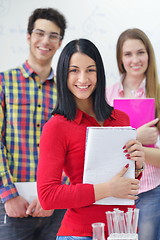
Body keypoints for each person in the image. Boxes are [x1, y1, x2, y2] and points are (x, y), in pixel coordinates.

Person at [37, 38, 145, 239]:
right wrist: (107, 189)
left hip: (123, 231)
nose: (83, 78)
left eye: (90, 70)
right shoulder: (56, 127)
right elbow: (47, 196)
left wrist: (137, 166)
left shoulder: (121, 119)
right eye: (74, 70)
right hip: (80, 233)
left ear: (99, 73)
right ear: (63, 74)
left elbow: (126, 182)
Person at [0, 7, 67, 240]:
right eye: (40, 33)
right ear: (28, 36)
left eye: (53, 36)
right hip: (12, 205)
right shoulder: (4, 82)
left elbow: (76, 147)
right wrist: (8, 195)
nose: (45, 41)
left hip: (56, 209)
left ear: (60, 43)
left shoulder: (67, 91)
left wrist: (55, 196)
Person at [106, 28, 160, 240]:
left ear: (149, 54)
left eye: (140, 52)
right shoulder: (107, 95)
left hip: (150, 190)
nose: (135, 59)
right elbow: (101, 148)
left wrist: (132, 147)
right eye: (128, 54)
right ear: (120, 59)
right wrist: (137, 138)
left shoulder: (158, 95)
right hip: (114, 190)